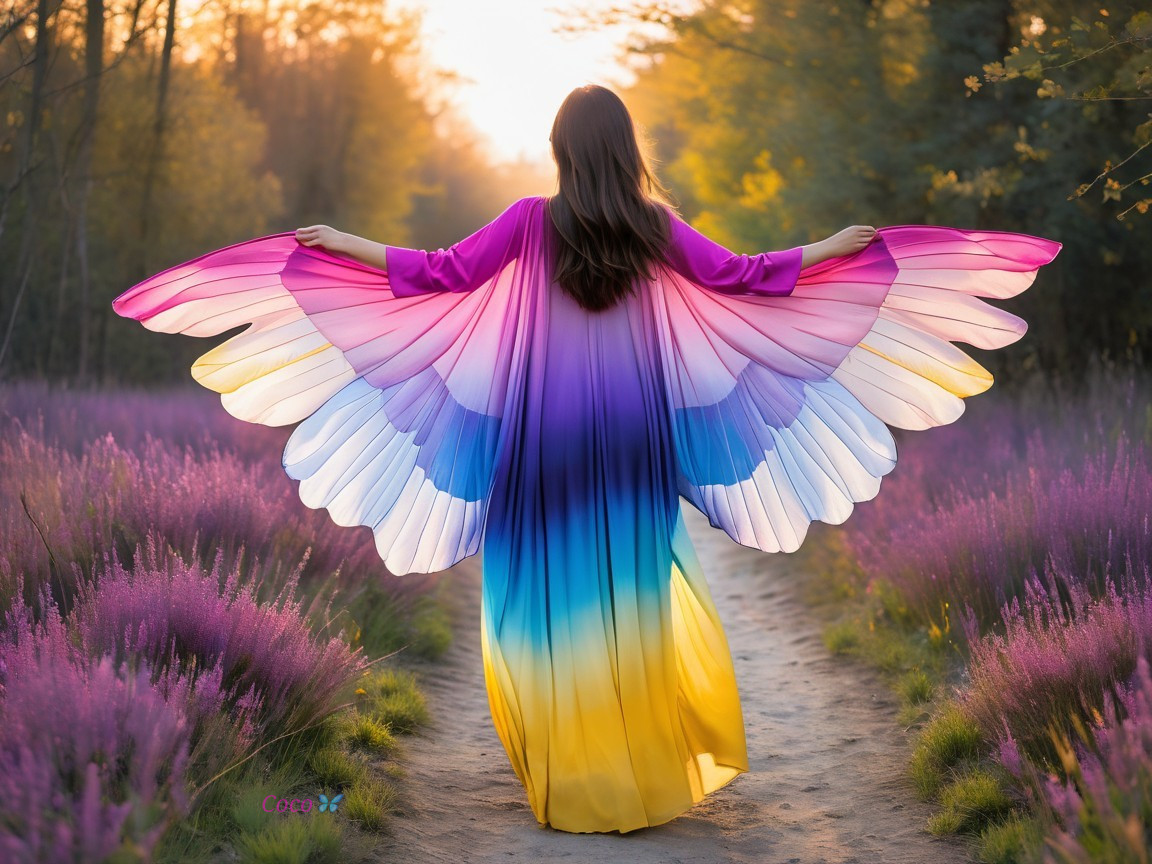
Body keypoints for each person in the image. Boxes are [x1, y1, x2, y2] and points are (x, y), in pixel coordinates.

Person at [112, 84, 1061, 835]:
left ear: (564, 151)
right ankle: (640, 785)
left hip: (542, 448)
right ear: (627, 150)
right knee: (631, 602)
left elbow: (434, 272)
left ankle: (574, 787)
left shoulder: (530, 220)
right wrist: (836, 251)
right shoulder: (651, 227)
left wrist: (341, 249)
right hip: (635, 446)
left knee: (540, 607)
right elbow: (745, 276)